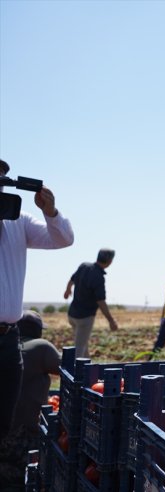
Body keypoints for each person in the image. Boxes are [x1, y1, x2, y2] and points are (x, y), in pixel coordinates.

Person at [0, 159, 73, 441]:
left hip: (8, 339)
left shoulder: (19, 220)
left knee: (3, 423)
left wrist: (50, 211)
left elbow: (63, 239)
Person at [0, 311, 61, 490]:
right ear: (37, 331)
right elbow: (71, 370)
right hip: (23, 437)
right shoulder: (40, 346)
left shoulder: (6, 347)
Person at [63, 248, 118, 358]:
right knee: (79, 349)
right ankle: (76, 373)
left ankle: (87, 371)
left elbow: (71, 280)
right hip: (84, 318)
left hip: (72, 315)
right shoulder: (98, 277)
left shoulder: (84, 266)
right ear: (110, 262)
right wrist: (111, 320)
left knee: (83, 345)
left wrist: (68, 290)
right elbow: (101, 301)